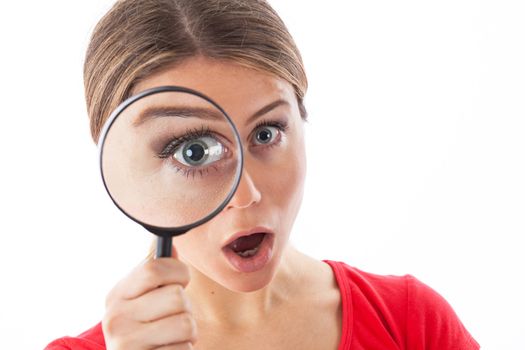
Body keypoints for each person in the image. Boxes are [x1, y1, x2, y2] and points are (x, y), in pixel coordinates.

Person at [46, 0, 480, 349]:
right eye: (194, 151)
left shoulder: (410, 323)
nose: (246, 193)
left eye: (267, 132)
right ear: (120, 161)